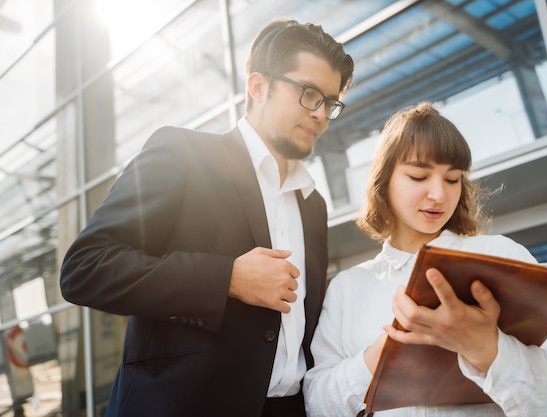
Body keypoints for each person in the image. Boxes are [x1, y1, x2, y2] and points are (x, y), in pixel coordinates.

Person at [59, 18, 354, 417]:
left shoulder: (312, 204)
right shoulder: (182, 154)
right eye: (308, 94)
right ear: (258, 86)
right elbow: (84, 268)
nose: (321, 114)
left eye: (331, 103)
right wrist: (227, 278)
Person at [303, 102, 547, 417]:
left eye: (453, 179)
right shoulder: (347, 288)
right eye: (418, 176)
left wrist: (489, 351)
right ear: (384, 180)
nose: (439, 195)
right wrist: (380, 356)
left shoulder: (501, 255)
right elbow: (317, 404)